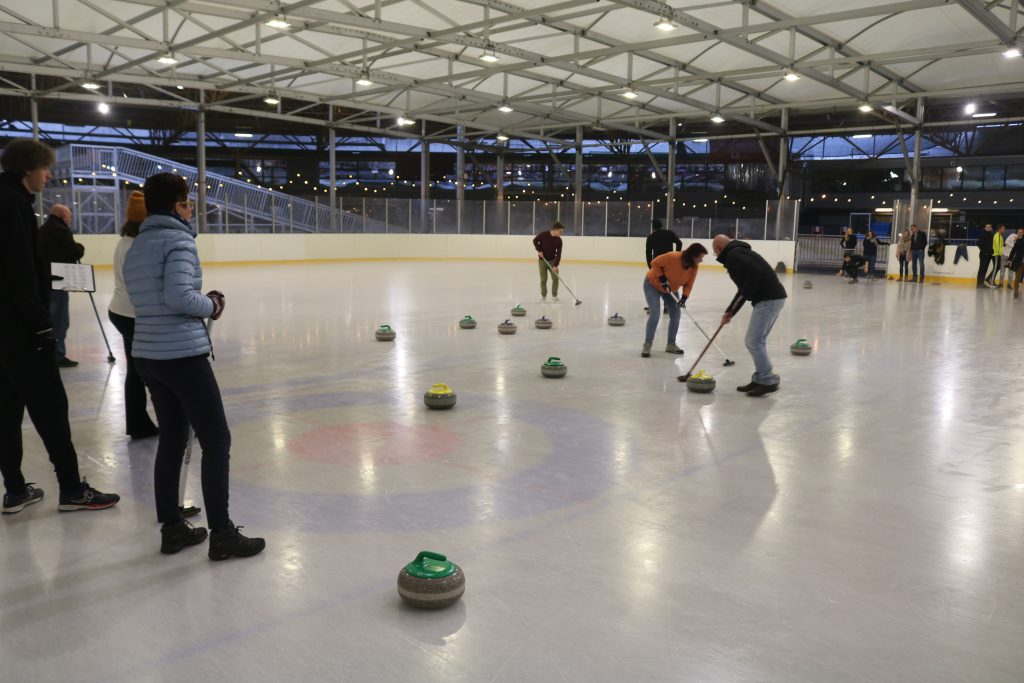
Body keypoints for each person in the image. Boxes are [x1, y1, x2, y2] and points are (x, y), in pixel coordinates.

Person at [124, 172, 264, 559]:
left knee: (172, 438)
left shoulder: (137, 245)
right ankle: (222, 534)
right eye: (188, 203)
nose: (191, 210)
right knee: (217, 439)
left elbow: (151, 297)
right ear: (175, 205)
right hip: (181, 356)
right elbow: (179, 296)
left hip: (148, 355)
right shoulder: (178, 240)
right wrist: (213, 304)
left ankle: (172, 528)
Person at [0, 138, 120, 514]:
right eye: (45, 168)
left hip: (3, 331)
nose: (48, 175)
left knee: (6, 410)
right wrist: (41, 326)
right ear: (27, 169)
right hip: (21, 329)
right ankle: (71, 489)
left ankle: (16, 490)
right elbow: (19, 272)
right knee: (51, 408)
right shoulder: (13, 204)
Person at [107, 190, 159, 439]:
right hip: (132, 314)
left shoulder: (125, 240)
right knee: (150, 370)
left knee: (137, 371)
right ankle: (161, 420)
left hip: (121, 312)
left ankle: (138, 424)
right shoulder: (137, 245)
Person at [712, 235, 787, 397]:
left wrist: (740, 301)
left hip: (768, 299)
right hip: (772, 298)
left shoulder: (734, 255)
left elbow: (754, 274)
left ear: (718, 249)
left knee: (753, 341)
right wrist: (730, 311)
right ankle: (760, 378)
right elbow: (744, 287)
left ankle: (767, 380)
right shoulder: (739, 252)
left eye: (714, 253)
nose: (716, 256)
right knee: (757, 341)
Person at [37, 203, 84, 367]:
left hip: (43, 282)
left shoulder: (41, 230)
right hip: (58, 282)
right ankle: (57, 355)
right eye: (69, 217)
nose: (70, 220)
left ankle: (46, 353)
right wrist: (80, 247)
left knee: (49, 320)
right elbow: (74, 252)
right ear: (64, 216)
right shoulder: (62, 230)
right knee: (60, 321)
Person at [641, 243, 707, 358]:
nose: (701, 260)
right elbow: (655, 263)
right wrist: (662, 277)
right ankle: (647, 344)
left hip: (671, 289)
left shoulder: (694, 267)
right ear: (692, 255)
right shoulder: (673, 257)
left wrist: (684, 298)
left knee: (676, 314)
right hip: (653, 284)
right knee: (655, 314)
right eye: (700, 258)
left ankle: (671, 344)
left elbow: (689, 284)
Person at [645, 218, 682, 314]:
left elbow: (648, 253)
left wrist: (650, 266)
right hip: (669, 264)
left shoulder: (651, 237)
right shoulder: (669, 233)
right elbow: (679, 243)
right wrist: (676, 255)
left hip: (657, 264)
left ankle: (653, 307)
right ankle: (667, 306)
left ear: (653, 227)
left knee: (655, 284)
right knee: (668, 284)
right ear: (661, 225)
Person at [532, 221, 564, 302]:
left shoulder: (559, 240)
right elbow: (535, 241)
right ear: (555, 229)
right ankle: (543, 296)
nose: (561, 233)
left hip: (553, 261)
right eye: (560, 231)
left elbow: (559, 254)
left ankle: (554, 296)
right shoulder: (543, 235)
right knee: (543, 280)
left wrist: (556, 265)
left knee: (555, 279)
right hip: (542, 261)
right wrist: (539, 250)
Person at [977, 223, 994, 289]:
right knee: (982, 269)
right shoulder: (983, 235)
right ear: (985, 228)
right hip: (984, 255)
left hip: (989, 255)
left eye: (989, 227)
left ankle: (982, 283)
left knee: (985, 269)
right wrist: (985, 252)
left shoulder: (991, 235)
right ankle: (979, 284)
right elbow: (979, 244)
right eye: (987, 227)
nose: (988, 228)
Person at [1008, 229, 1024, 301]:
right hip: (1019, 263)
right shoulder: (1019, 241)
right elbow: (1013, 250)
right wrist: (1010, 259)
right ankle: (1015, 294)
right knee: (1017, 278)